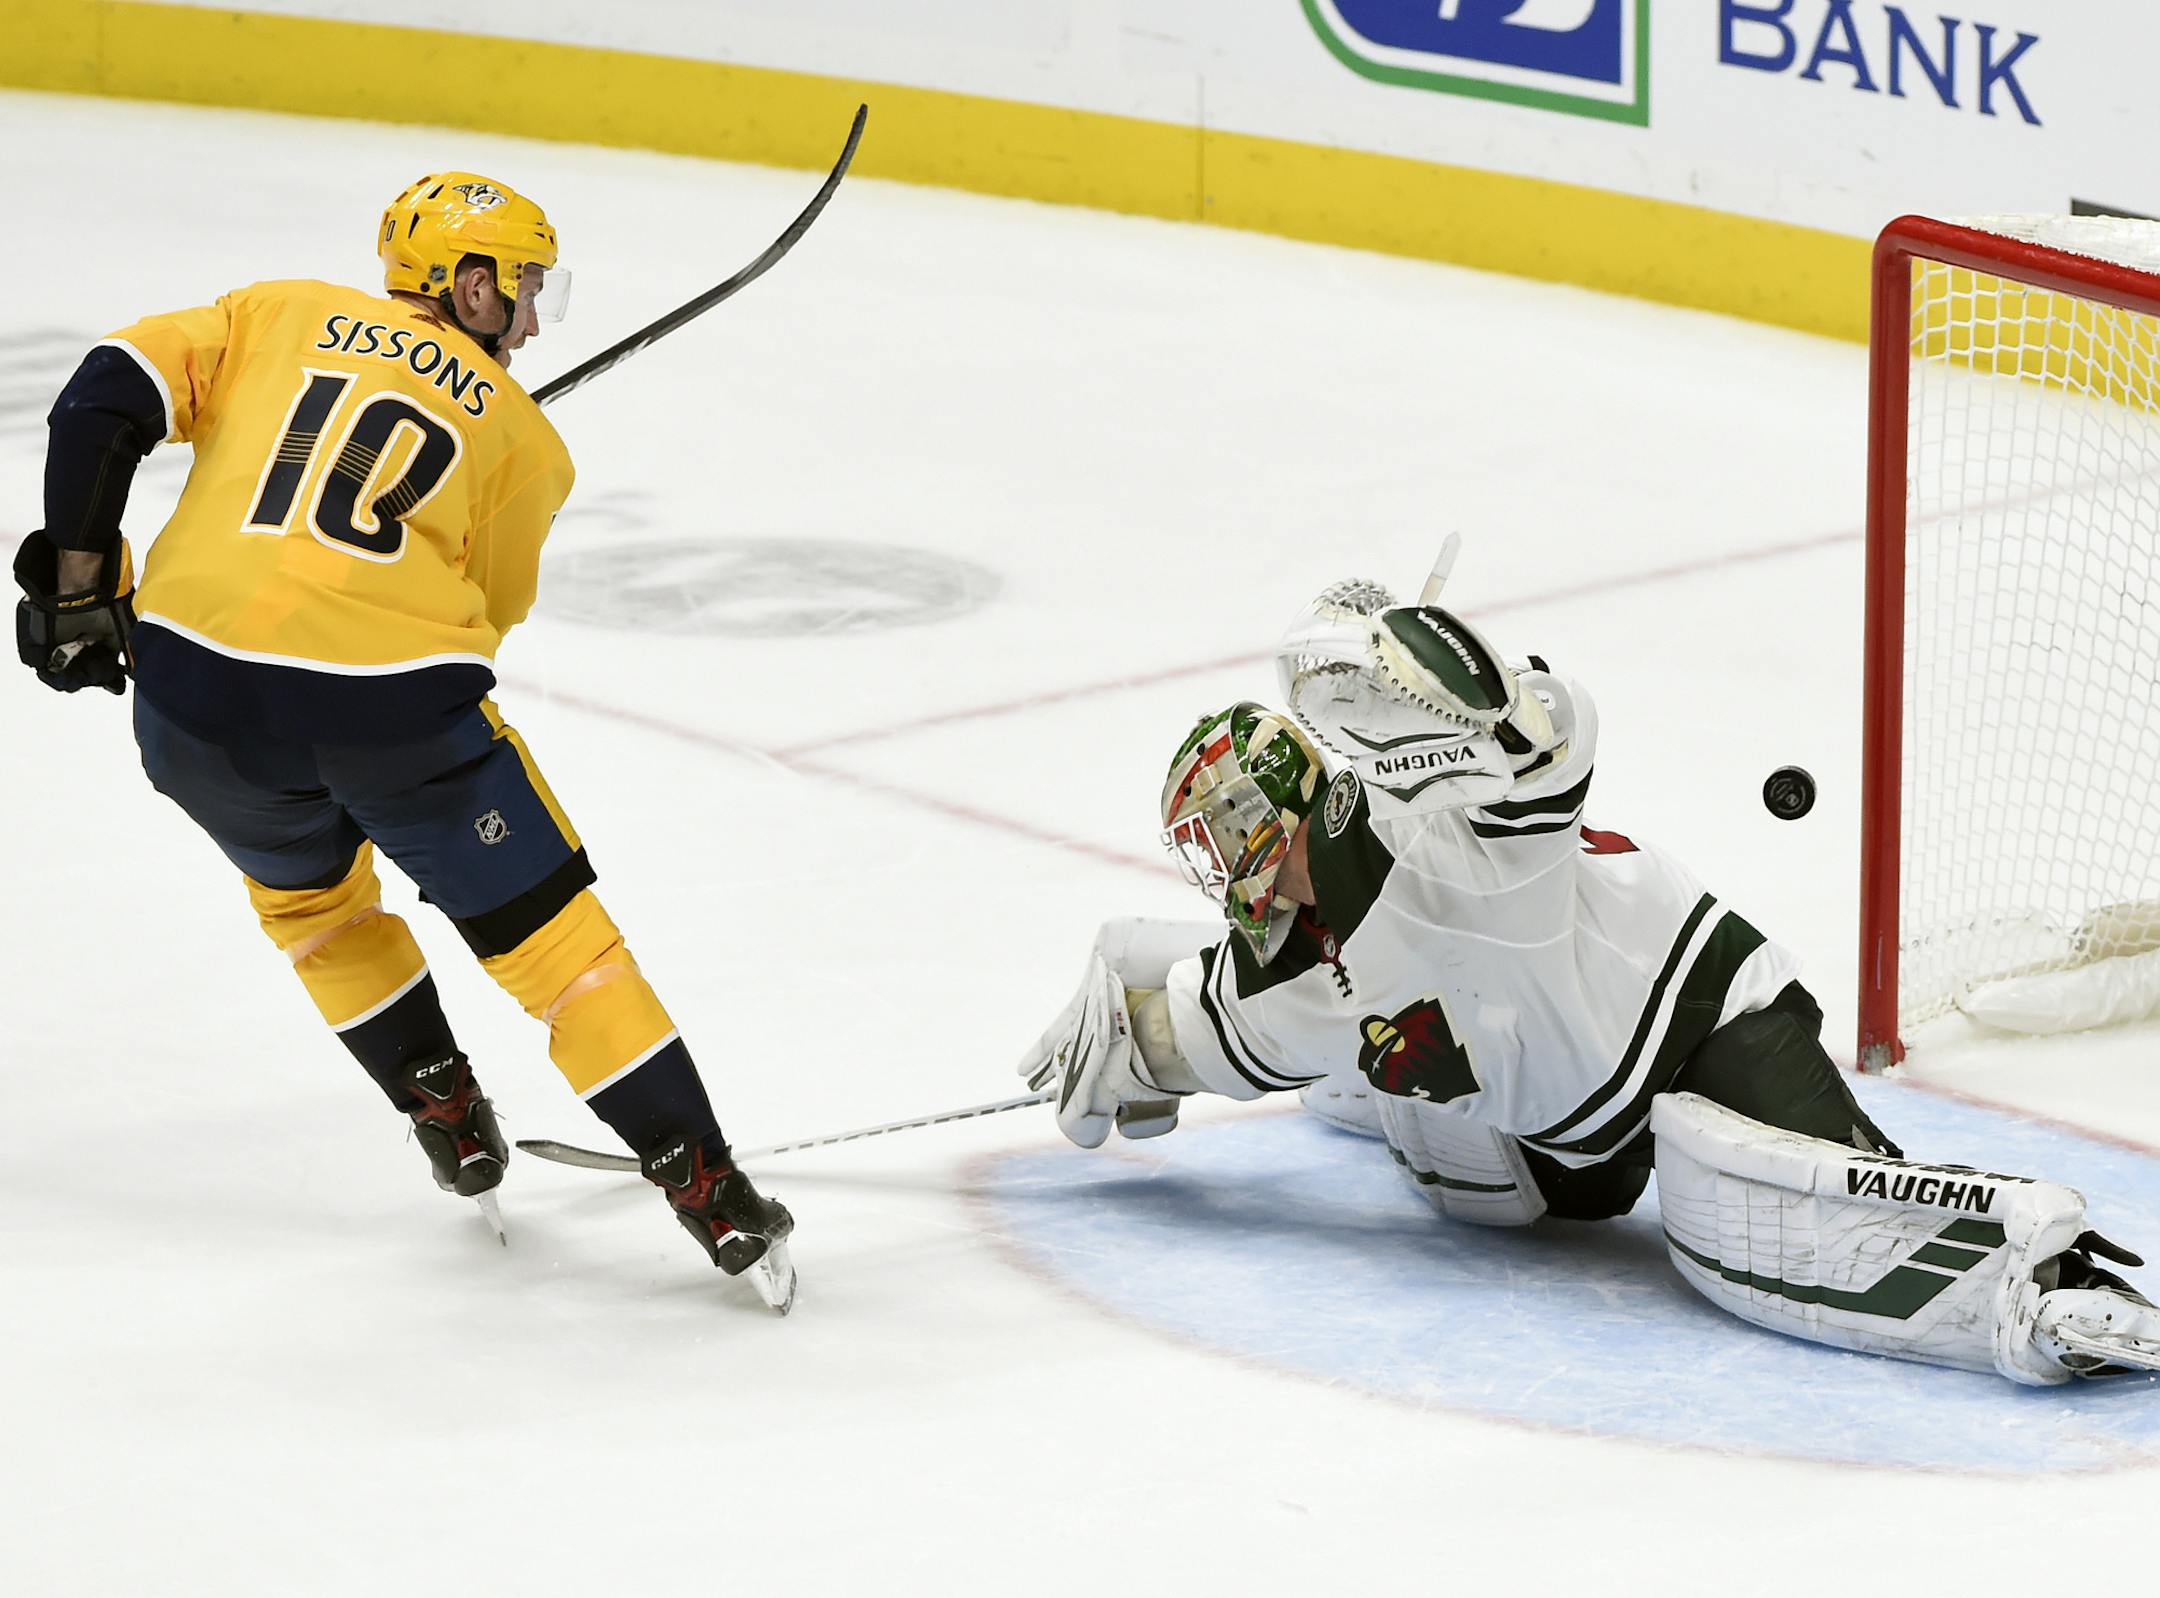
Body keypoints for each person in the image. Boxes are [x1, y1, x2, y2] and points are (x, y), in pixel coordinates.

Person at [1021, 571, 2160, 1382]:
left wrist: (1477, 700)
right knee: (1428, 1126)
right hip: (1562, 1136)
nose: (1214, 871)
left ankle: (2050, 1282)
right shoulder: (1277, 974)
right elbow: (1191, 1027)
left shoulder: (1438, 841)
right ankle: (1382, 1097)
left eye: (1217, 837)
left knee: (1815, 1208)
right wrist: (1121, 1047)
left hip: (1692, 1010)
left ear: (1269, 817)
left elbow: (1553, 745)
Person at [15, 172, 793, 1308]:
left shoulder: (274, 313)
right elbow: (484, 607)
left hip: (189, 700)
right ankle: (710, 1189)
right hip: (388, 717)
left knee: (313, 908)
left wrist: (82, 578)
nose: (531, 322)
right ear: (470, 286)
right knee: (562, 959)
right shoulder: (526, 440)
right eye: (525, 291)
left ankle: (443, 1110)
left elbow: (100, 395)